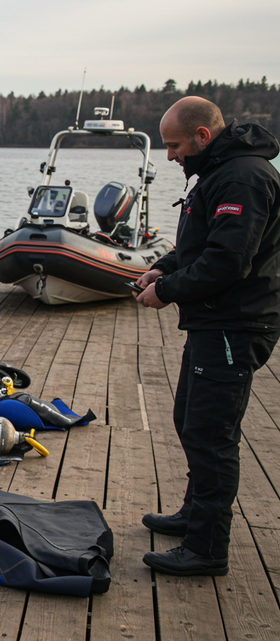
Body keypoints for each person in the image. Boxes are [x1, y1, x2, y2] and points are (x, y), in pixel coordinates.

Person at [136, 96, 280, 577]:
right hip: (213, 323)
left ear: (202, 136)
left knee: (211, 434)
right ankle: (194, 516)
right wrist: (163, 267)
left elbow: (228, 261)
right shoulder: (219, 172)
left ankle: (207, 547)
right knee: (189, 418)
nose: (171, 156)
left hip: (234, 324)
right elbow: (202, 244)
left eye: (174, 146)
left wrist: (169, 291)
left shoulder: (244, 177)